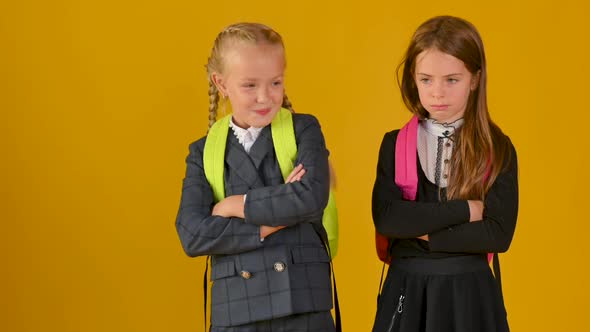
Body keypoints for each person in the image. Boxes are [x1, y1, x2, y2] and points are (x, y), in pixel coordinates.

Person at [175, 23, 336, 331]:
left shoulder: (304, 129)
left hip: (302, 304)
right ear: (221, 83)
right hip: (236, 311)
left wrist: (234, 205)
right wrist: (277, 217)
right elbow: (192, 234)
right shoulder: (203, 152)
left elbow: (312, 198)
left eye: (275, 83)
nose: (265, 97)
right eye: (250, 85)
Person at [372, 16, 518, 332]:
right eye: (426, 80)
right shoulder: (395, 144)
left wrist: (419, 232)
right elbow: (387, 219)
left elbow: (497, 234)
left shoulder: (498, 149)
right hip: (406, 293)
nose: (437, 93)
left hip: (471, 297)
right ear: (413, 79)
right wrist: (467, 210)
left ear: (475, 79)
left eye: (451, 80)